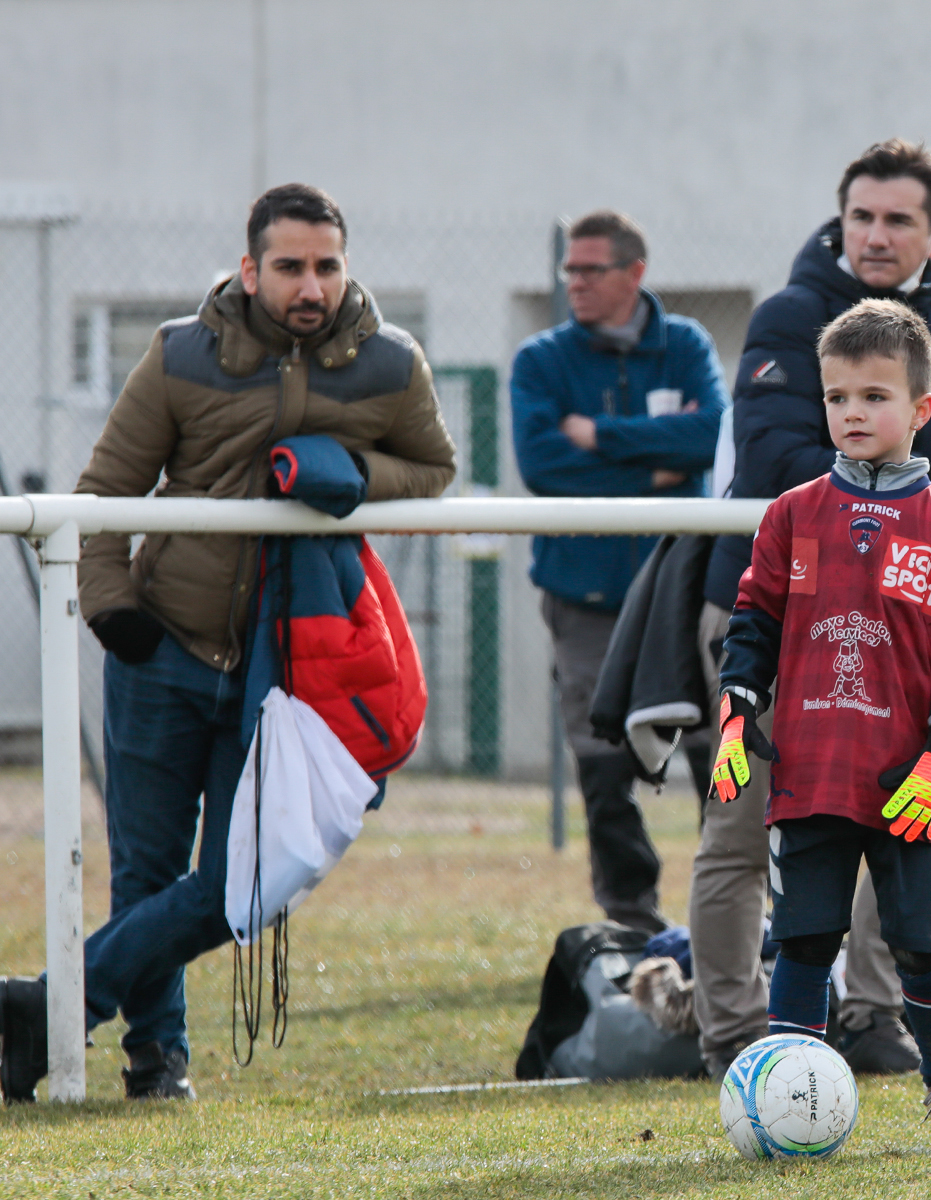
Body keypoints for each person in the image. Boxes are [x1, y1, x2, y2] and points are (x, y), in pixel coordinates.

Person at [0, 183, 457, 1104]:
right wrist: (110, 605)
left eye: (327, 265)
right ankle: (155, 1062)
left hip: (287, 676)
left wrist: (357, 471)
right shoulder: (179, 352)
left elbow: (435, 472)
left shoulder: (391, 363)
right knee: (147, 869)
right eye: (289, 266)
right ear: (250, 269)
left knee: (243, 879)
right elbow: (102, 492)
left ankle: (48, 1008)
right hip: (160, 649)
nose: (310, 285)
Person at [692, 139, 931, 1078]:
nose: (877, 235)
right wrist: (891, 494)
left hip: (907, 628)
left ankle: (878, 1020)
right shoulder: (790, 314)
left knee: (904, 820)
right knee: (744, 829)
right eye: (862, 216)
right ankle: (731, 1034)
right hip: (775, 610)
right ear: (839, 219)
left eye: (898, 219)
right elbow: (770, 455)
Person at [712, 299, 931, 1149]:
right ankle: (788, 1086)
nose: (852, 412)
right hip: (809, 770)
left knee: (923, 940)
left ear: (921, 409)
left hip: (907, 780)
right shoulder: (792, 514)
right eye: (837, 396)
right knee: (804, 934)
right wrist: (738, 715)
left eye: (875, 396)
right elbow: (753, 623)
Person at [512, 210, 727, 934]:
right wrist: (658, 465)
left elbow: (711, 437)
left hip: (680, 585)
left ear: (634, 273)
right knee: (602, 764)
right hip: (583, 591)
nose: (572, 282)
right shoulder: (541, 361)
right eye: (569, 269)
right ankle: (632, 919)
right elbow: (544, 466)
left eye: (589, 270)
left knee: (714, 749)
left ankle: (730, 911)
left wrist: (601, 436)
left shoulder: (687, 344)